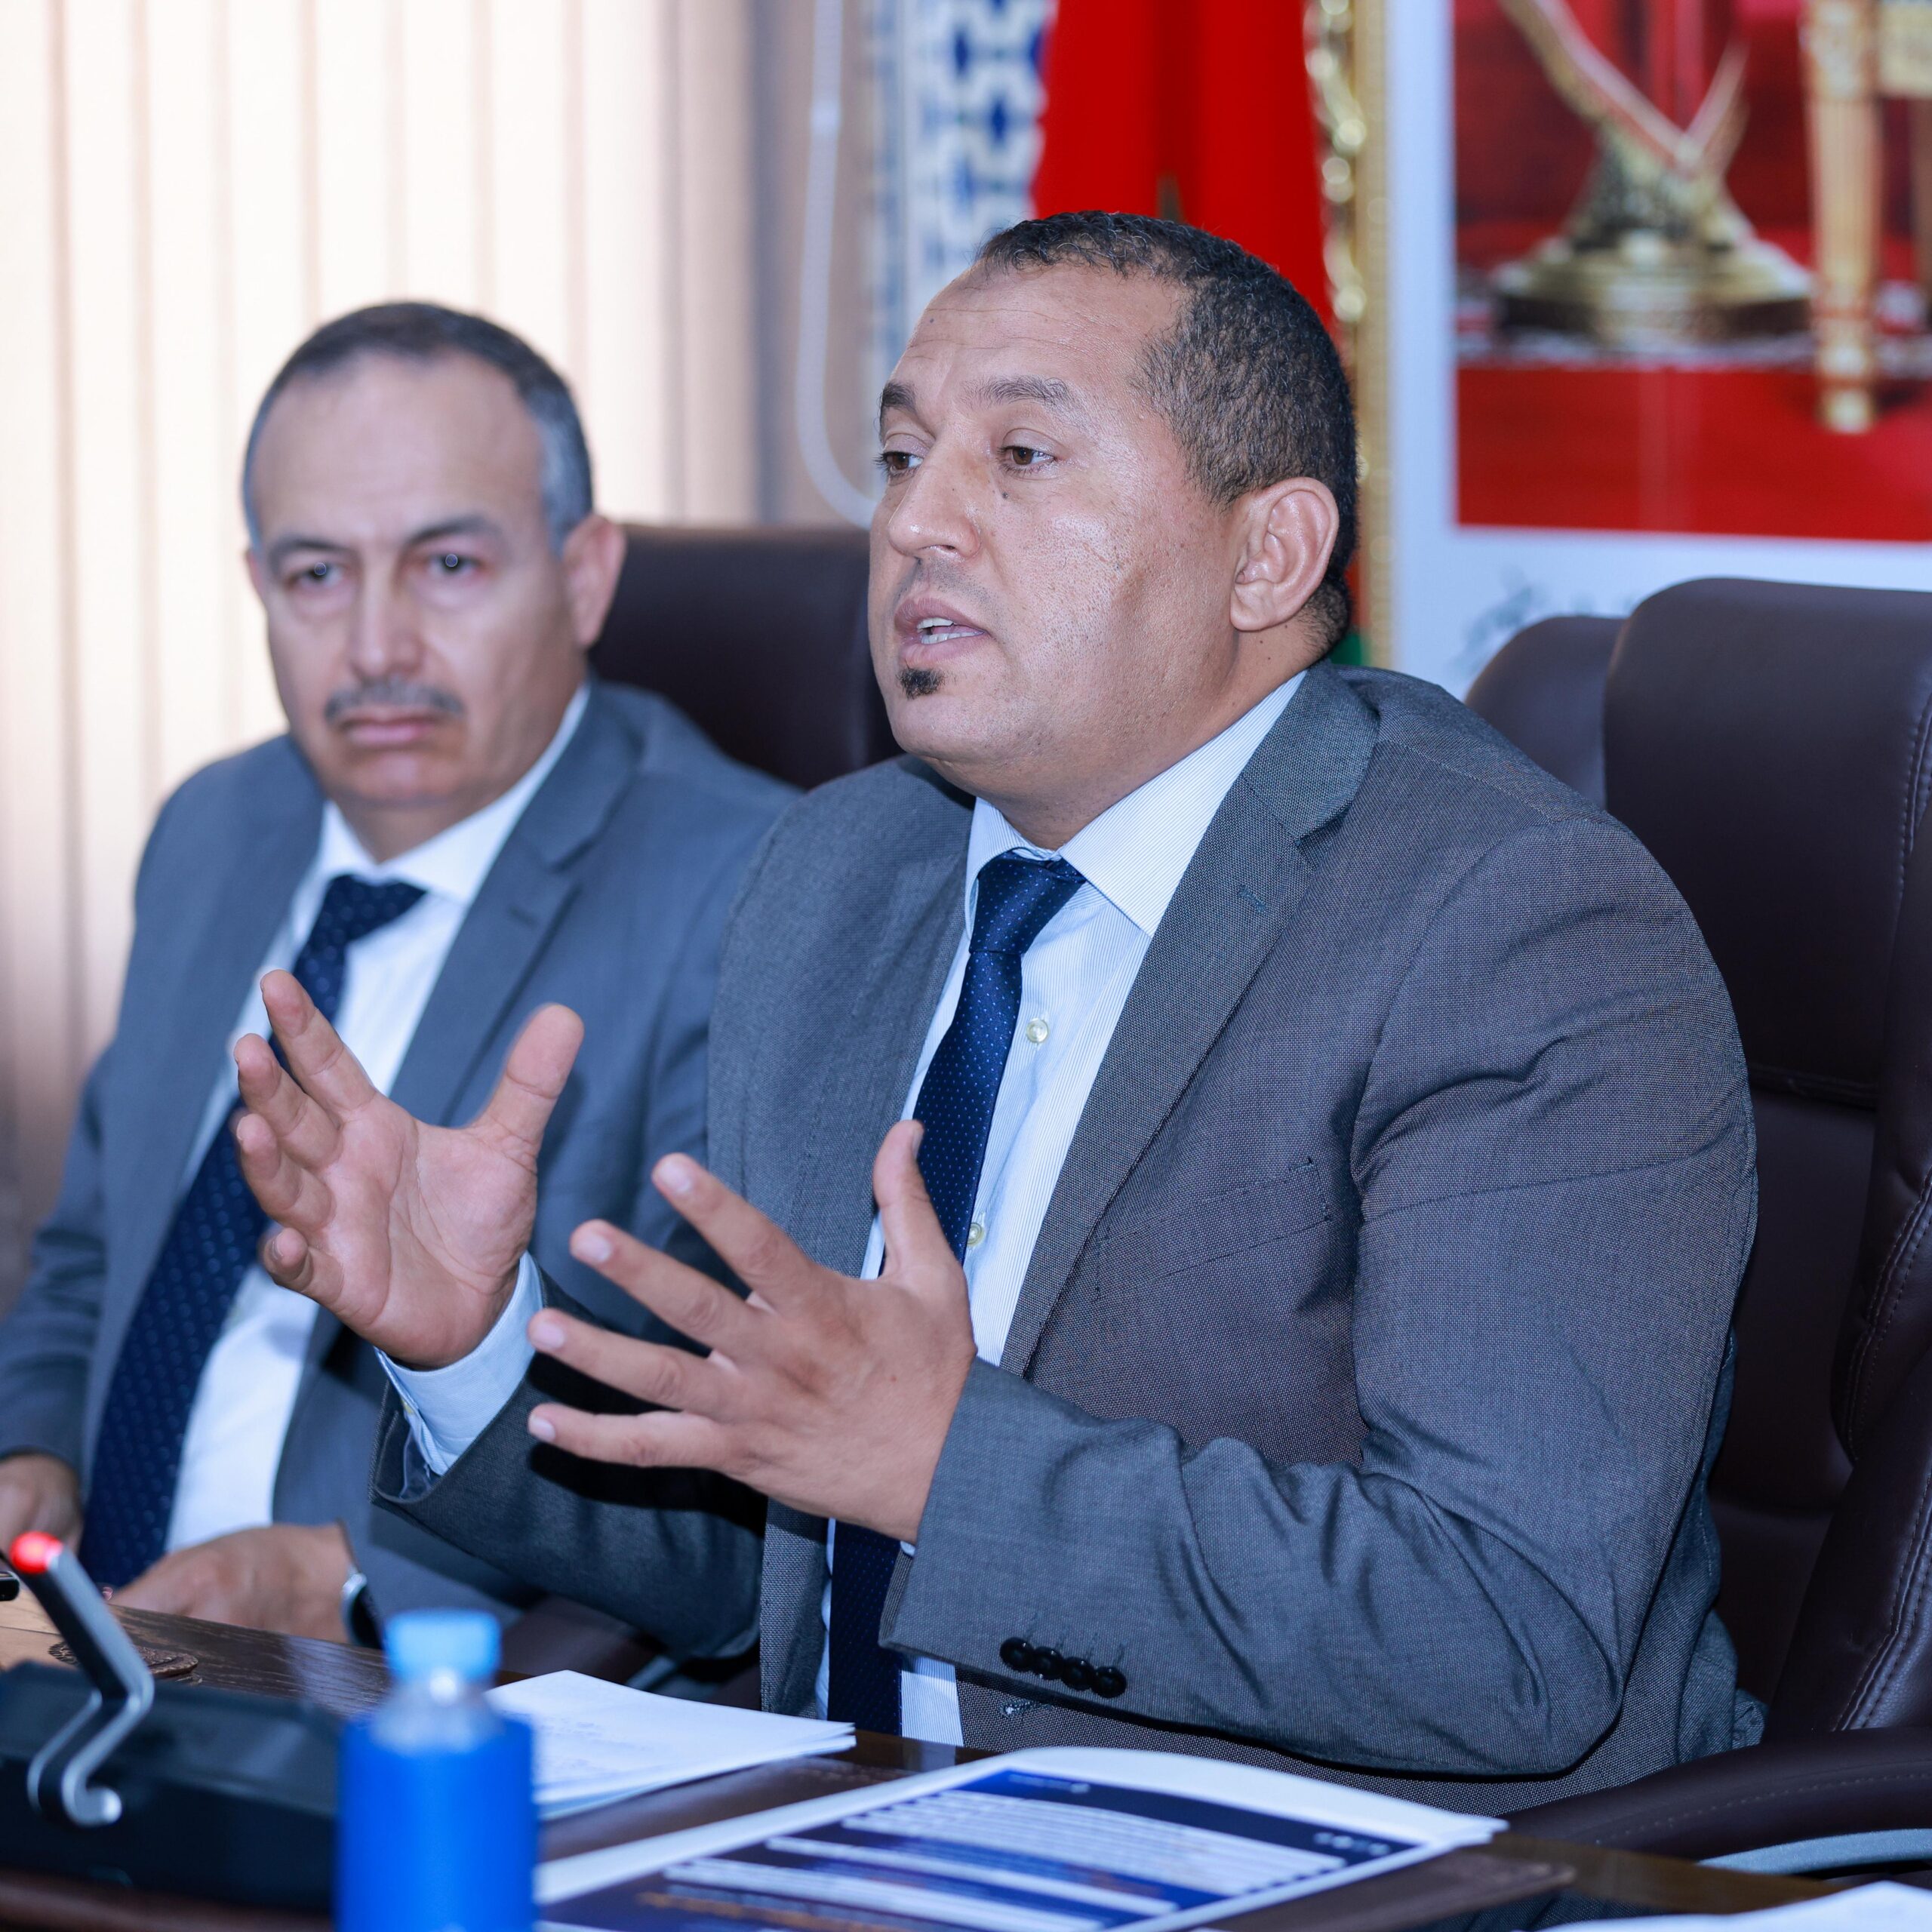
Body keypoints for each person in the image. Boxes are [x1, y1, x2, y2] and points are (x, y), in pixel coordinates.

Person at [234, 217, 1756, 1807]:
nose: (913, 522)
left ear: (1267, 555)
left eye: (1020, 456)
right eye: (902, 457)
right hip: (840, 1839)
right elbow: (748, 1545)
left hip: (1325, 1875)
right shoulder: (841, 870)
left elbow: (1502, 1631)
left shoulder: (1514, 925)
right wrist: (473, 1344)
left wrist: (943, 1467)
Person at [0, 302, 786, 1646]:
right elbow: (90, 1257)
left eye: (449, 565)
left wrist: (359, 1578)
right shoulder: (214, 828)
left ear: (585, 575)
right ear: (258, 585)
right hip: (93, 1652)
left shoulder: (754, 889)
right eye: (318, 574)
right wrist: (35, 1459)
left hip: (397, 1692)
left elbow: (723, 1463)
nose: (375, 649)